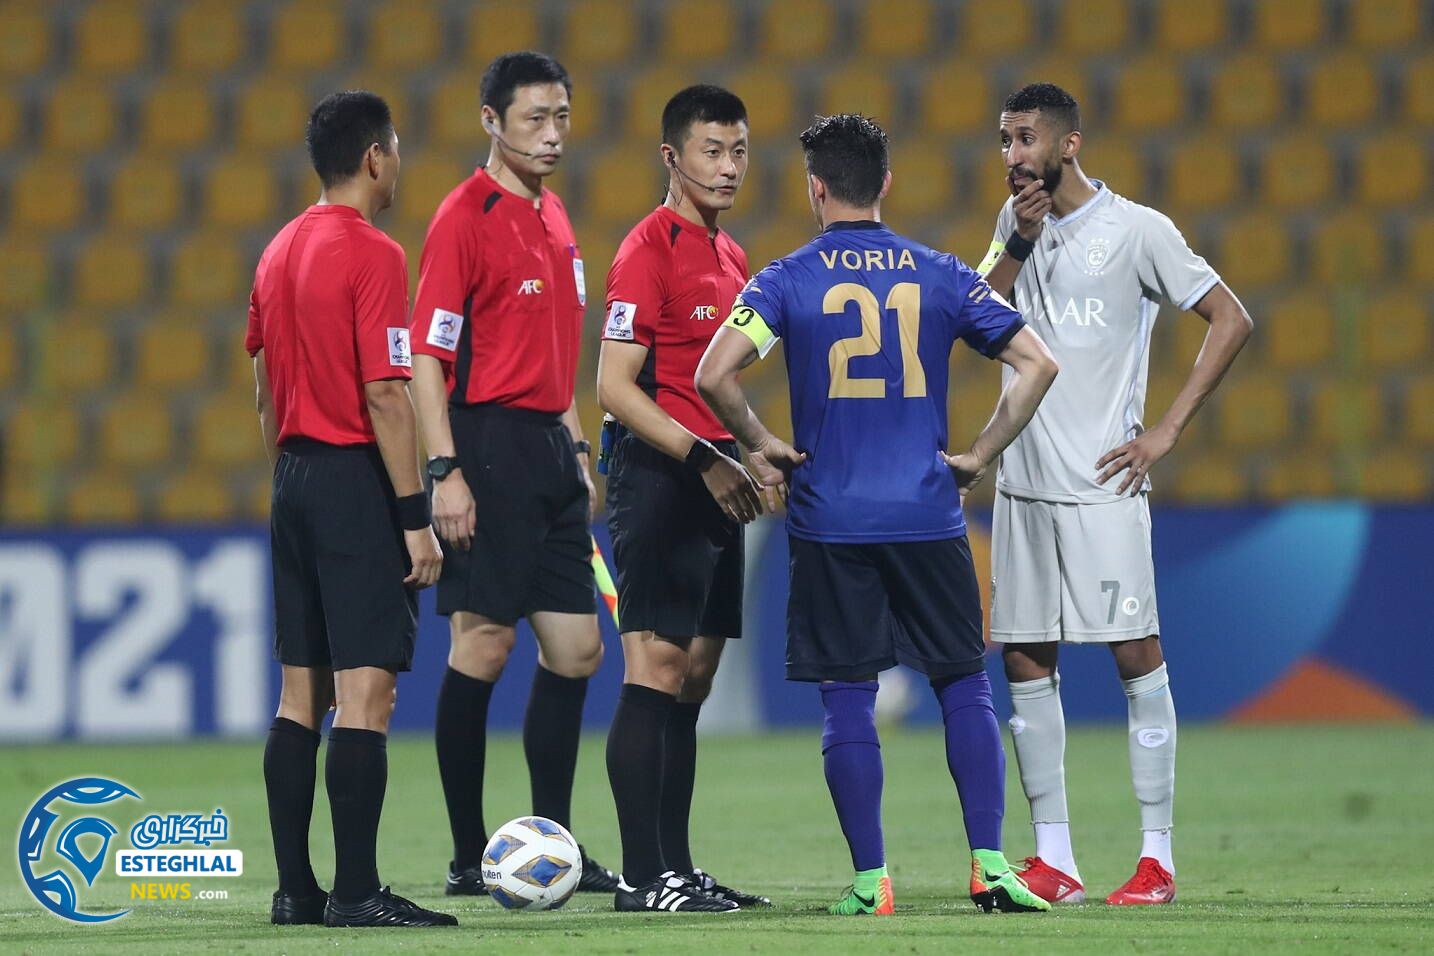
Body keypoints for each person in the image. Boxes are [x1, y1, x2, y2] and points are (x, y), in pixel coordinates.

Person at [695, 113, 1058, 917]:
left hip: (832, 519)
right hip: (929, 513)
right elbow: (1037, 362)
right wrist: (980, 453)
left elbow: (714, 371)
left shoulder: (783, 280)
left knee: (848, 694)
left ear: (815, 187)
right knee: (965, 683)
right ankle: (990, 865)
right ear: (885, 184)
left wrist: (763, 444)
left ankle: (872, 881)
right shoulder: (942, 273)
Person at [979, 83, 1253, 906]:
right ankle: (1054, 860)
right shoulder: (1013, 228)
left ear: (1068, 144)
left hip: (1102, 487)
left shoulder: (1137, 229)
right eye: (1003, 140)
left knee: (1137, 658)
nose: (1011, 157)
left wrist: (1166, 429)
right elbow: (974, 315)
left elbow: (1230, 317)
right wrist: (1020, 243)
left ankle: (1157, 859)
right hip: (1022, 484)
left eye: (1024, 139)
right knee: (1025, 660)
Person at [407, 51, 618, 897]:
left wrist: (574, 446)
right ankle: (468, 855)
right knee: (484, 646)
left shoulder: (557, 214)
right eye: (535, 118)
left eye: (562, 116)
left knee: (576, 650)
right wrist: (443, 470)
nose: (553, 134)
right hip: (483, 444)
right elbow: (428, 356)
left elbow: (555, 357)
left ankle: (549, 845)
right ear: (490, 121)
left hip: (545, 446)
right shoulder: (464, 216)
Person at [251, 90, 454, 928]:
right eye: (396, 149)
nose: (398, 163)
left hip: (293, 479)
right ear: (375, 157)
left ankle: (296, 891)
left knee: (301, 695)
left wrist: (291, 476)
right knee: (366, 696)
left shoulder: (277, 248)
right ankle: (358, 891)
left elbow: (262, 385)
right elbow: (385, 391)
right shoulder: (373, 253)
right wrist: (414, 512)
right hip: (351, 482)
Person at [597, 84, 771, 913]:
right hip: (660, 472)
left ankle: (676, 865)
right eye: (712, 150)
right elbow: (614, 385)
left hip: (716, 474)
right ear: (672, 156)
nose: (729, 166)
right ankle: (641, 876)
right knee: (656, 663)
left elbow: (721, 385)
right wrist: (704, 454)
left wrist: (755, 450)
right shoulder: (647, 249)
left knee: (695, 672)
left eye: (738, 150)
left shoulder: (731, 255)